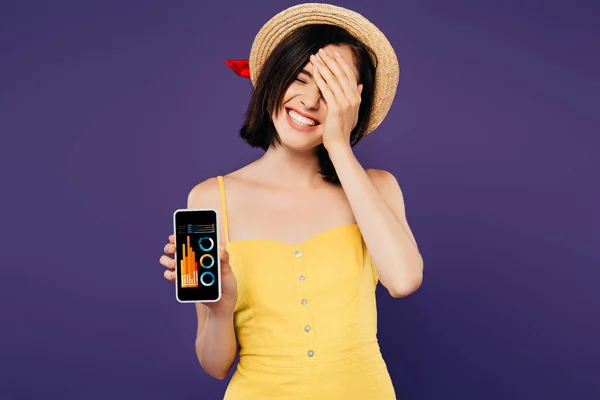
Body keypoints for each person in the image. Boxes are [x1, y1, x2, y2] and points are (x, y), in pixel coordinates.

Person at [159, 3, 423, 399]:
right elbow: (215, 366)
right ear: (273, 78)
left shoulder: (376, 187)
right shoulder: (209, 198)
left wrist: (339, 145)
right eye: (300, 78)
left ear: (353, 105)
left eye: (331, 91)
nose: (310, 101)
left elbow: (403, 281)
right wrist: (219, 308)